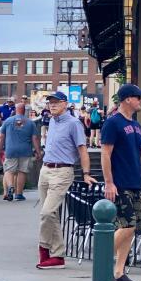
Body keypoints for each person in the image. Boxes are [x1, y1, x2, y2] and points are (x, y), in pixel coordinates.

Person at [101, 83, 141, 281]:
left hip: (135, 183)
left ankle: (119, 272)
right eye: (138, 97)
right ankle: (101, 258)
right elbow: (106, 153)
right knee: (126, 225)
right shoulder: (113, 123)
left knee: (132, 227)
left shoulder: (136, 126)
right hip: (120, 183)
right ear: (127, 99)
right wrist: (109, 183)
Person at [38, 91, 95, 270]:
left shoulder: (73, 123)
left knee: (47, 213)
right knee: (51, 214)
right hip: (46, 169)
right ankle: (57, 255)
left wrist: (86, 173)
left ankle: (44, 250)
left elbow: (82, 149)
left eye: (56, 102)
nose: (52, 105)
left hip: (62, 171)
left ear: (65, 104)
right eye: (50, 102)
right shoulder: (52, 121)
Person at [0, 103, 40, 202]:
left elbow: (1, 137)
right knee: (22, 171)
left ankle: (10, 187)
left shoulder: (8, 121)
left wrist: (0, 149)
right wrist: (38, 151)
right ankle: (19, 194)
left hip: (10, 150)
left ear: (15, 110)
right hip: (25, 151)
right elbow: (35, 138)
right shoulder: (30, 123)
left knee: (9, 170)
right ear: (24, 110)